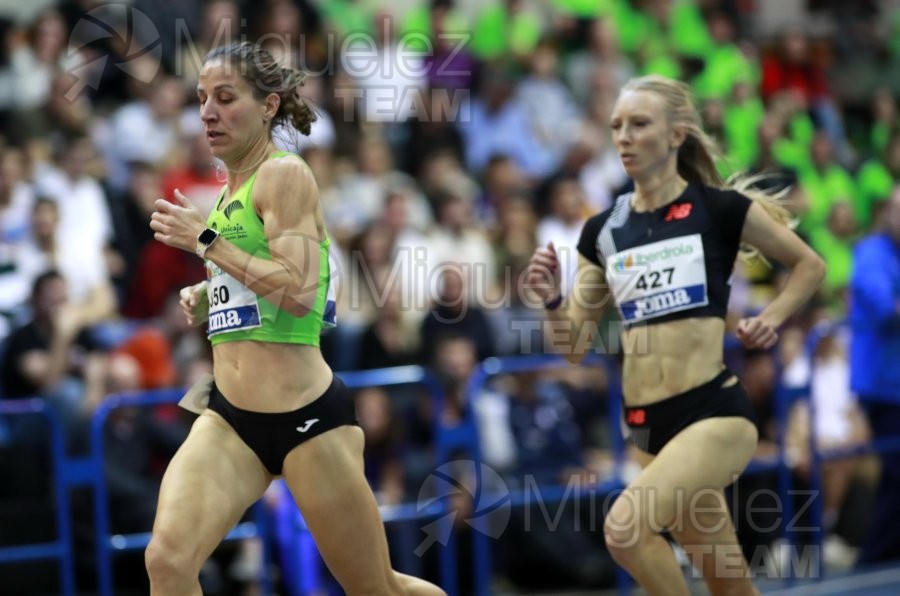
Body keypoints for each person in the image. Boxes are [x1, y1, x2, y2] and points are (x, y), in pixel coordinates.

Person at [147, 41, 445, 596]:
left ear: (267, 105)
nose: (207, 111)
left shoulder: (285, 176)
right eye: (201, 98)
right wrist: (211, 295)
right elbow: (256, 280)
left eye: (225, 97)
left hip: (306, 419)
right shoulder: (228, 190)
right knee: (166, 560)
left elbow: (302, 293)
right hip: (231, 418)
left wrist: (206, 243)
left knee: (378, 588)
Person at [526, 75, 825, 595]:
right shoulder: (604, 229)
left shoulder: (719, 209)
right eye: (616, 126)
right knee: (728, 584)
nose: (623, 137)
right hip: (644, 428)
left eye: (639, 124)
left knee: (624, 529)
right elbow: (573, 347)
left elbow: (808, 265)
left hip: (713, 414)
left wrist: (771, 317)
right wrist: (553, 299)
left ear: (676, 135)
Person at [851, 187, 900, 566]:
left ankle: (877, 557)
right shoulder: (871, 254)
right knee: (897, 469)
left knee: (894, 473)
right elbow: (886, 310)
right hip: (883, 385)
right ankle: (874, 559)